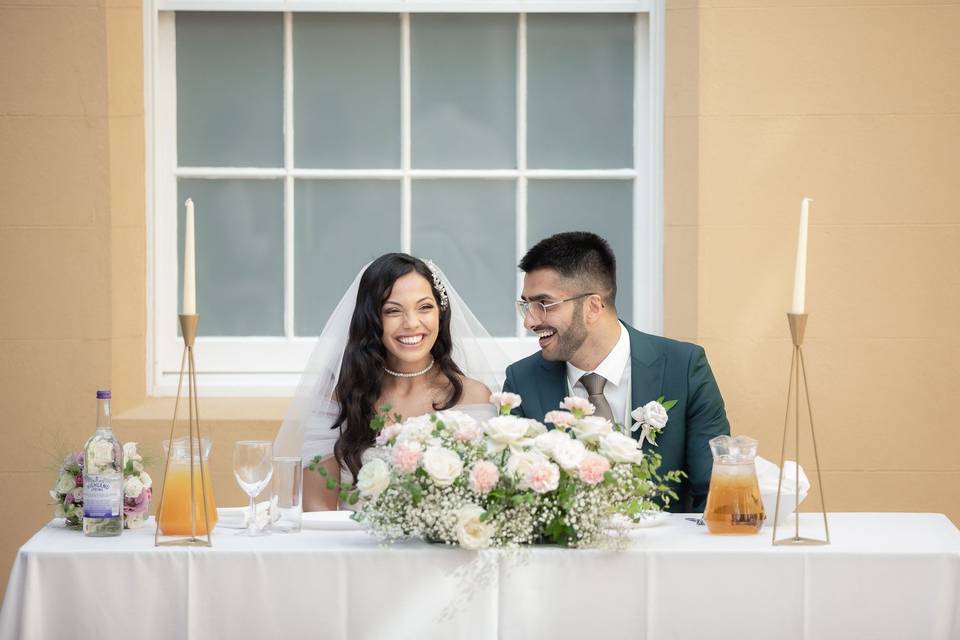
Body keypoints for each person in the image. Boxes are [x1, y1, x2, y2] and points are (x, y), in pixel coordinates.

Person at [502, 232, 730, 512]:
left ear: (593, 306)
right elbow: (516, 499)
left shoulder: (684, 368)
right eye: (526, 305)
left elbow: (715, 493)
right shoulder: (521, 382)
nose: (529, 321)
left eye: (543, 304)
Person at [275, 253, 504, 511]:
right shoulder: (338, 397)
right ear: (372, 318)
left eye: (425, 307)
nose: (412, 323)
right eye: (393, 311)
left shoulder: (473, 398)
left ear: (440, 313)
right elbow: (317, 508)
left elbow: (484, 503)